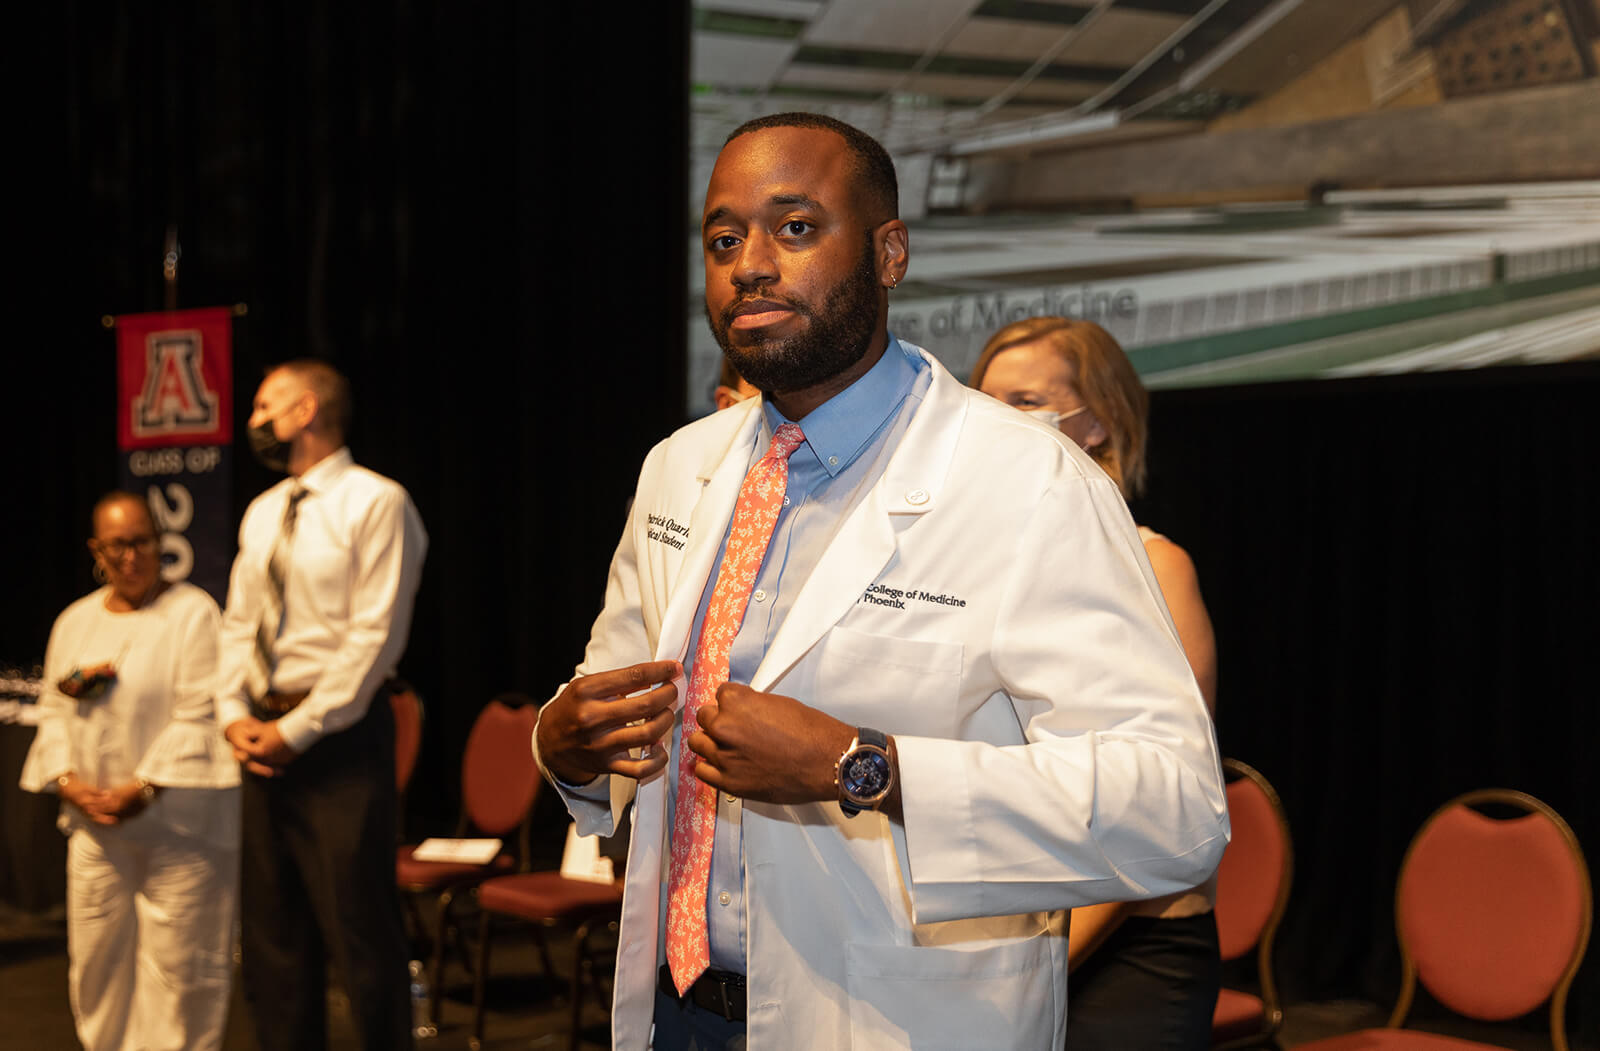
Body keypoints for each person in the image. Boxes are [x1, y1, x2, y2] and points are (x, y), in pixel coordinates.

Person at [534, 112, 1229, 1050]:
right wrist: (564, 742)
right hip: (674, 1014)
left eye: (795, 227)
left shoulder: (1029, 480)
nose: (750, 265)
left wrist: (861, 768)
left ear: (889, 252)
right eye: (724, 239)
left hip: (902, 1024)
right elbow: (610, 688)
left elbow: (1172, 808)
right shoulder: (677, 467)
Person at [973, 315, 1221, 1050]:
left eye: (1022, 402)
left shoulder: (1157, 569)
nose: (995, 425)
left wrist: (1026, 970)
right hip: (1004, 938)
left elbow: (1151, 805)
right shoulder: (974, 574)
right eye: (982, 404)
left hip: (1126, 948)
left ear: (1098, 424)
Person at [216, 359, 427, 1051]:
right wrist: (233, 715)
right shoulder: (264, 509)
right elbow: (239, 624)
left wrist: (297, 730)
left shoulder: (376, 501)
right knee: (274, 940)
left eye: (263, 405)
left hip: (336, 742)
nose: (254, 421)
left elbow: (375, 635)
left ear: (306, 409)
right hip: (262, 734)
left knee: (359, 934)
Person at [19, 491, 240, 1051]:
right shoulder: (75, 621)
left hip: (182, 829)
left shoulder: (193, 613)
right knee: (97, 966)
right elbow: (53, 712)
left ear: (161, 541)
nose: (132, 557)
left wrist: (143, 788)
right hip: (96, 828)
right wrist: (69, 783)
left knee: (182, 973)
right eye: (117, 546)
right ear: (97, 549)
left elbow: (201, 713)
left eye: (143, 542)